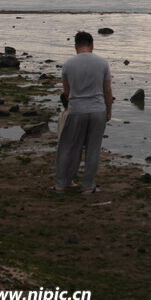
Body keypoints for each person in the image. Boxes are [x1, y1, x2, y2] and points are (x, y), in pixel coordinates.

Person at [52, 31, 113, 195]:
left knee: (69, 147)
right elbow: (107, 91)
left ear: (76, 46)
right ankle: (88, 186)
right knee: (93, 149)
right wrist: (109, 111)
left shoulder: (68, 64)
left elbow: (67, 92)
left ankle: (62, 183)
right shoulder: (102, 63)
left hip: (77, 110)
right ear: (92, 46)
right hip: (97, 110)